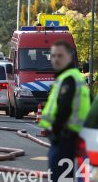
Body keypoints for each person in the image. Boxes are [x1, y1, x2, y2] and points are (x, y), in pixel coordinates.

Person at [39, 40, 91, 182]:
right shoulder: (72, 77)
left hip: (64, 137)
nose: (55, 59)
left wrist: (55, 132)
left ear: (69, 57)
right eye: (53, 56)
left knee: (60, 178)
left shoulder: (69, 79)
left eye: (60, 56)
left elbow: (64, 108)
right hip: (70, 136)